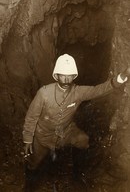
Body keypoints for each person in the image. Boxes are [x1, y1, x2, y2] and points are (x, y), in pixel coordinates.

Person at [22, 54, 130, 191]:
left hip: (66, 132)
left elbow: (99, 90)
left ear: (74, 76)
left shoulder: (78, 92)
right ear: (56, 75)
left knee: (83, 140)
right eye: (63, 75)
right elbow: (31, 117)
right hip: (43, 135)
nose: (66, 79)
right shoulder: (44, 94)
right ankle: (28, 187)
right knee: (33, 162)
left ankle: (77, 175)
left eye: (70, 76)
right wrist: (27, 140)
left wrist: (122, 76)